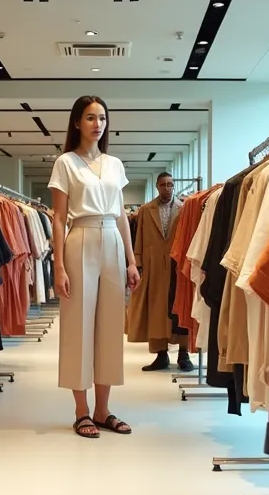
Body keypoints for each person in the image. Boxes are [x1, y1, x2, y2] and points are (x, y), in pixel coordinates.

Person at [49, 95, 140, 439]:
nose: (97, 124)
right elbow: (58, 218)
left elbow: (121, 216)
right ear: (77, 122)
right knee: (78, 324)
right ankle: (81, 411)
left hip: (112, 240)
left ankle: (104, 410)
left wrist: (132, 261)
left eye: (102, 118)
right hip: (80, 237)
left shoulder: (115, 164)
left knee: (109, 325)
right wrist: (59, 265)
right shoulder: (66, 163)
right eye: (90, 117)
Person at [128, 172, 193, 371]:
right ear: (157, 186)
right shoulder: (146, 210)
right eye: (164, 184)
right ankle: (161, 354)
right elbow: (138, 237)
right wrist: (137, 262)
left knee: (179, 306)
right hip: (153, 264)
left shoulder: (184, 209)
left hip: (177, 265)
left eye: (171, 184)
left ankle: (184, 353)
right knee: (155, 309)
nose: (167, 188)